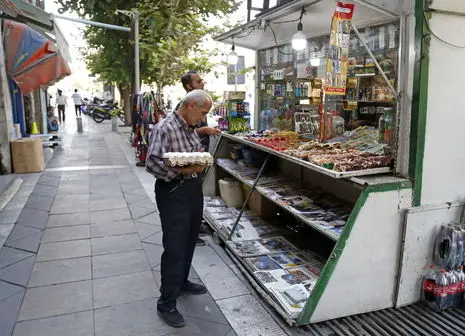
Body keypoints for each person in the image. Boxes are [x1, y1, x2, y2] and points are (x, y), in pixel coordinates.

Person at [146, 90, 212, 328]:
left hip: (192, 189)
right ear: (191, 105)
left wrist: (199, 160)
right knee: (174, 246)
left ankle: (182, 281)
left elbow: (192, 152)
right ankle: (166, 303)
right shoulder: (164, 128)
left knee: (190, 238)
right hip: (173, 191)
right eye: (203, 113)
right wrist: (183, 170)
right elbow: (152, 163)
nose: (203, 118)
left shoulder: (188, 127)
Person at [176, 70, 220, 246]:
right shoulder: (185, 106)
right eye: (198, 81)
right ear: (189, 86)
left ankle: (195, 226)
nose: (203, 82)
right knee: (189, 193)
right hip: (190, 159)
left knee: (196, 193)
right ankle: (189, 231)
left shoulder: (200, 103)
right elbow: (183, 130)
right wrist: (205, 130)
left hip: (199, 155)